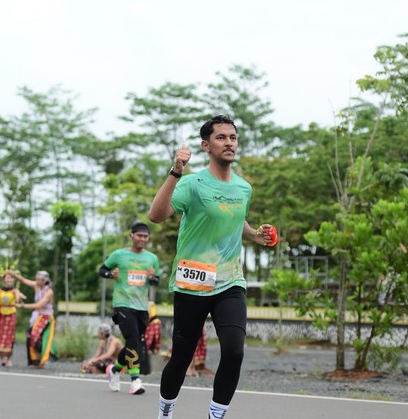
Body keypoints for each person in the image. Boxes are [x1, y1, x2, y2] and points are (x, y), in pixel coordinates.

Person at [148, 114, 277, 419]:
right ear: (206, 145)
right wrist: (176, 172)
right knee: (182, 356)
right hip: (193, 281)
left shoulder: (243, 188)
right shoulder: (191, 183)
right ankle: (165, 412)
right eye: (221, 137)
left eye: (233, 137)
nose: (229, 143)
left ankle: (215, 416)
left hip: (230, 281)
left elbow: (234, 219)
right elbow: (156, 215)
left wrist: (254, 234)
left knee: (234, 351)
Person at [98, 222, 160, 395]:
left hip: (142, 307)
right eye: (139, 235)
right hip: (122, 304)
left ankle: (115, 370)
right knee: (133, 340)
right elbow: (102, 270)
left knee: (134, 343)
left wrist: (153, 278)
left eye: (145, 236)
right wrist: (110, 274)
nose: (142, 239)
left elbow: (156, 281)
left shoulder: (152, 258)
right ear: (131, 236)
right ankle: (135, 381)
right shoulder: (119, 255)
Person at [7, 269, 56, 367]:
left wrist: (23, 306)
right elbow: (23, 280)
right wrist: (13, 274)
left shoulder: (49, 292)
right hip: (37, 316)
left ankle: (44, 358)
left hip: (46, 317)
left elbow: (40, 304)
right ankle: (35, 360)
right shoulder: (36, 286)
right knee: (30, 337)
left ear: (44, 281)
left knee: (37, 337)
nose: (36, 281)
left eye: (38, 280)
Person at [0, 272, 25, 367]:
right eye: (8, 278)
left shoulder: (15, 290)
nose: (10, 280)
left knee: (10, 337)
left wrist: (20, 298)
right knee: (0, 336)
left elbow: (18, 301)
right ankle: (2, 360)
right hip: (2, 314)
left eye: (12, 278)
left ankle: (9, 359)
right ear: (4, 279)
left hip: (11, 314)